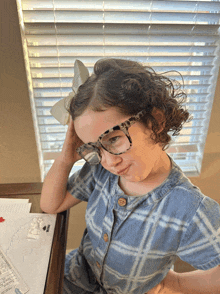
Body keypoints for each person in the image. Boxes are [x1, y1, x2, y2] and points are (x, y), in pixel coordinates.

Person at [40, 58, 220, 294]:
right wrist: (65, 158)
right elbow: (51, 205)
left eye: (113, 139)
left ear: (155, 121)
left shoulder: (189, 210)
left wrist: (170, 283)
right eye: (94, 148)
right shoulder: (100, 171)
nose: (108, 161)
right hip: (73, 277)